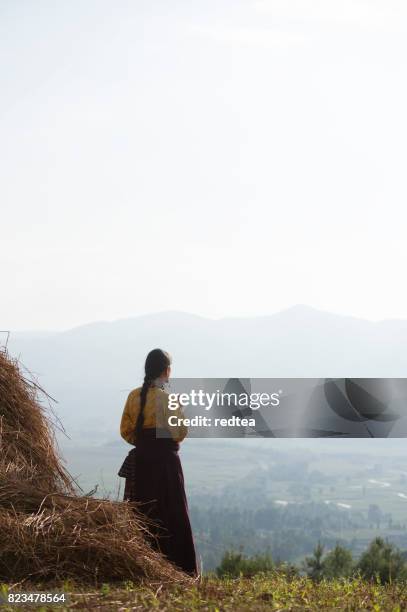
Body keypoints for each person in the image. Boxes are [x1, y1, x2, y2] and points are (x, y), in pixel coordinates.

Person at [118, 348, 198, 576]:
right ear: (166, 371)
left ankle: (142, 567)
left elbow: (126, 431)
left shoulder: (133, 397)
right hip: (166, 465)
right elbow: (180, 432)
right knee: (173, 515)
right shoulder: (168, 399)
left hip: (142, 463)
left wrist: (145, 444)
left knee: (143, 513)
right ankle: (178, 571)